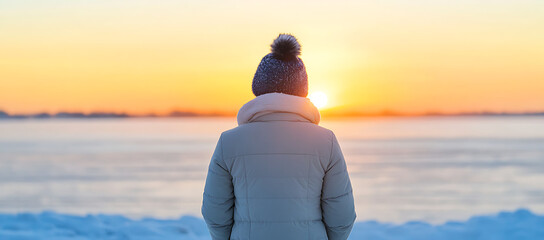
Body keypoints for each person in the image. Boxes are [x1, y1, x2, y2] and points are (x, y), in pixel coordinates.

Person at [202, 33, 356, 240]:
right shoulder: (325, 141)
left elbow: (215, 211)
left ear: (259, 88)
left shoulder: (229, 141)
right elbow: (342, 215)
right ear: (301, 90)